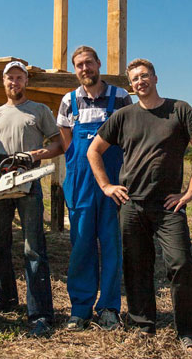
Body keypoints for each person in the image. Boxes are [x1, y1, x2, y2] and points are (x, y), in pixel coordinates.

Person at [87, 58, 192, 349]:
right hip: (132, 204)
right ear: (131, 86)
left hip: (169, 205)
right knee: (136, 266)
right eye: (134, 79)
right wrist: (106, 186)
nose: (140, 81)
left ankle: (188, 332)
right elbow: (94, 150)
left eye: (145, 76)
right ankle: (144, 325)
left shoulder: (179, 109)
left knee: (181, 264)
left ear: (156, 78)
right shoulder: (124, 116)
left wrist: (189, 192)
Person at [0, 61, 64, 337]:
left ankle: (40, 314)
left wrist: (37, 155)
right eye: (9, 78)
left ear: (26, 81)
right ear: (3, 82)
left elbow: (58, 144)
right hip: (0, 180)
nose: (14, 82)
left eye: (19, 78)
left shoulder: (39, 111)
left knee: (33, 249)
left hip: (27, 178)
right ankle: (5, 298)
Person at [56, 46, 131, 331]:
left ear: (98, 64)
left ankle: (110, 308)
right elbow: (67, 141)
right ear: (75, 69)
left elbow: (128, 137)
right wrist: (78, 164)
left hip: (114, 182)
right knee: (81, 246)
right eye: (78, 65)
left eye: (89, 63)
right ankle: (80, 309)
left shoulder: (120, 97)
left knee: (111, 245)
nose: (84, 69)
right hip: (80, 184)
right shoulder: (68, 100)